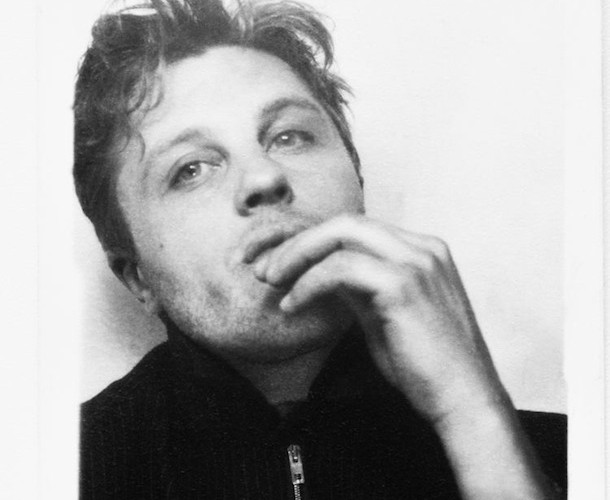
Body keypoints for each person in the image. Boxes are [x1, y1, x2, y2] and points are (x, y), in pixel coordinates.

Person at [75, 0, 566, 498]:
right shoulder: (59, 470)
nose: (264, 177)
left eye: (290, 136)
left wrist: (473, 416)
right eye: (191, 169)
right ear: (137, 277)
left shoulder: (564, 456)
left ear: (357, 178)